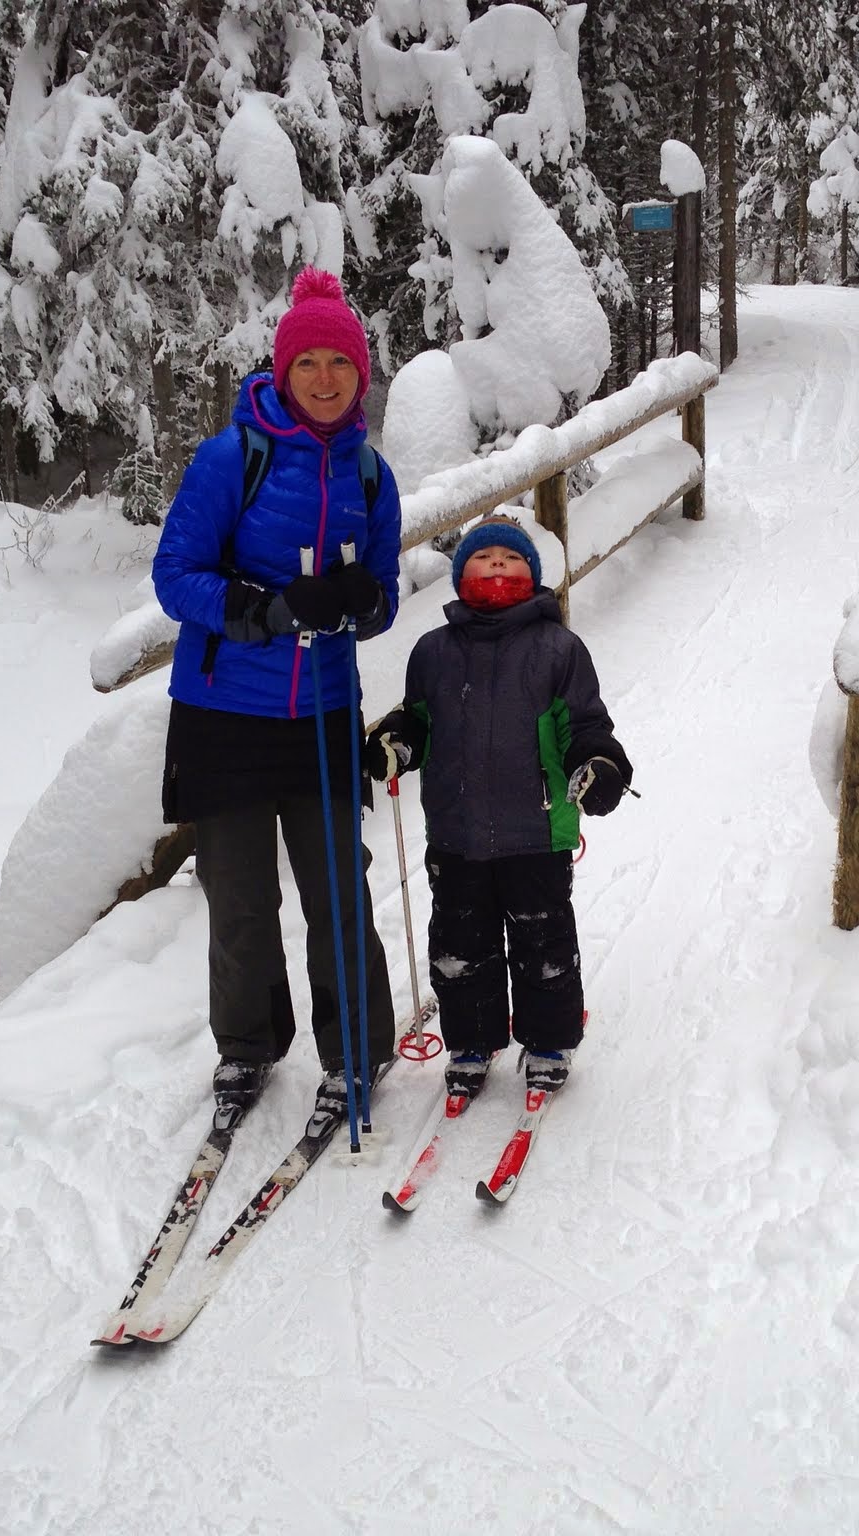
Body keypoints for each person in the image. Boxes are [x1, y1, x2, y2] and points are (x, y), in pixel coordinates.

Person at [151, 267, 400, 1131]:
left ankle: (358, 1053)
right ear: (282, 371)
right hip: (224, 715)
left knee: (339, 888)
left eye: (340, 364)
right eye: (309, 365)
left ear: (359, 375)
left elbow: (387, 596)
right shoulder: (232, 457)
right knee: (242, 895)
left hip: (323, 714)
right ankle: (247, 1047)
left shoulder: (370, 474)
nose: (325, 380)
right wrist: (262, 610)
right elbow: (173, 575)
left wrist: (364, 602)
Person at [362, 516, 632, 1097]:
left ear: (532, 574)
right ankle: (471, 1041)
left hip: (537, 829)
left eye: (510, 560)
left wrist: (601, 763)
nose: (497, 567)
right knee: (462, 943)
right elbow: (419, 719)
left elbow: (586, 724)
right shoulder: (432, 652)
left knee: (543, 941)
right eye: (484, 560)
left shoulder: (559, 649)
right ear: (462, 576)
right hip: (456, 831)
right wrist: (397, 741)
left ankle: (549, 1039)